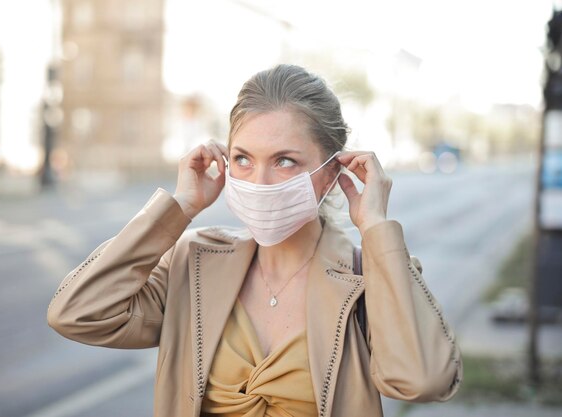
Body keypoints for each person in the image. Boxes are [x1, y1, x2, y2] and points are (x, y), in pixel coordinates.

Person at [47, 64, 463, 417]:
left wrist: (375, 229)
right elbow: (77, 313)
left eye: (284, 161)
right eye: (243, 159)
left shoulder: (369, 277)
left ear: (333, 171)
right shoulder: (192, 262)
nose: (259, 182)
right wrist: (180, 208)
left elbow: (424, 381)